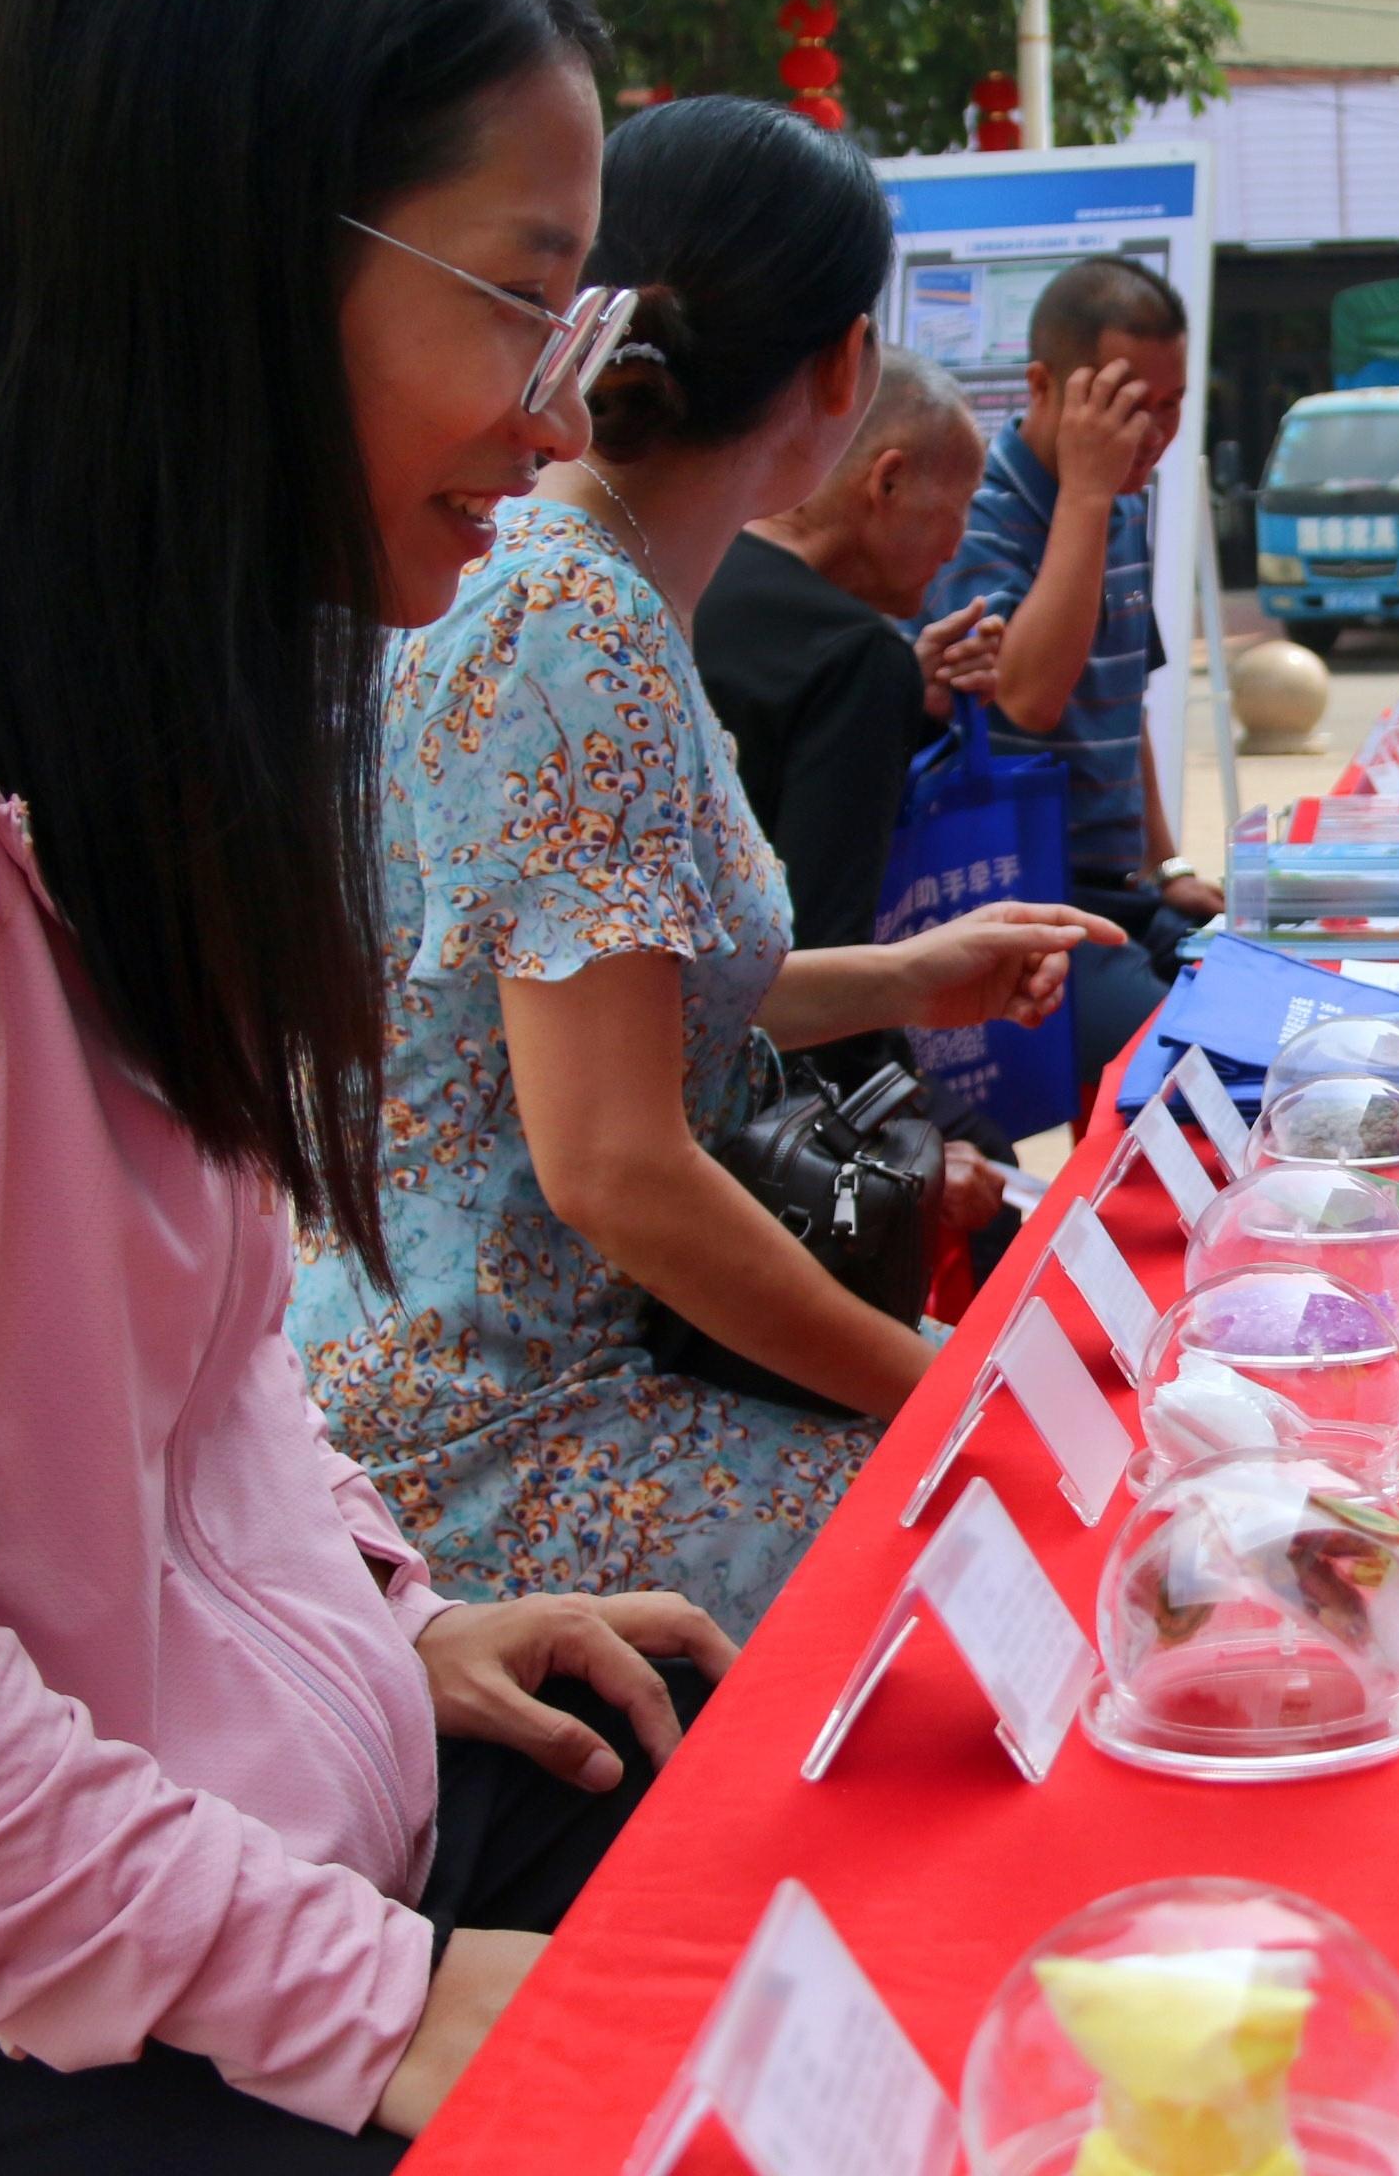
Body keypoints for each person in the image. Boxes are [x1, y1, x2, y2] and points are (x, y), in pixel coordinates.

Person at [0, 0, 741, 2167]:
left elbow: (189, 1383)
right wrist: (390, 1999)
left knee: (801, 1844)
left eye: (590, 317)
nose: (557, 411)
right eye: (512, 299)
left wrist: (373, 1629)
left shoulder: (134, 696)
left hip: (168, 1862)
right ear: (215, 263)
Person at [291, 97, 1116, 1633]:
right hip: (505, 1423)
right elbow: (611, 1162)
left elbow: (589, 1005)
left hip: (498, 1363)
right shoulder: (574, 627)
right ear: (841, 377)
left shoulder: (560, 579)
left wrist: (911, 972)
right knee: (1052, 1564)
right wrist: (941, 1396)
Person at [694, 347, 1017, 1256]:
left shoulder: (691, 580)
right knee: (991, 1178)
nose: (960, 545)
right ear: (888, 480)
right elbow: (825, 948)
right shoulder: (853, 656)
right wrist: (910, 1132)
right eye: (958, 508)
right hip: (759, 1088)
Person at [922, 255, 1216, 1081]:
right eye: (1123, 404)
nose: (1150, 432)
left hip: (1124, 889)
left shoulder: (1120, 506)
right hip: (1031, 903)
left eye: (1171, 404)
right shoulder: (982, 511)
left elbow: (1128, 714)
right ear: (1043, 386)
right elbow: (1031, 699)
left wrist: (1169, 866)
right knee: (1185, 1061)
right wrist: (1085, 497)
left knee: (1260, 985)